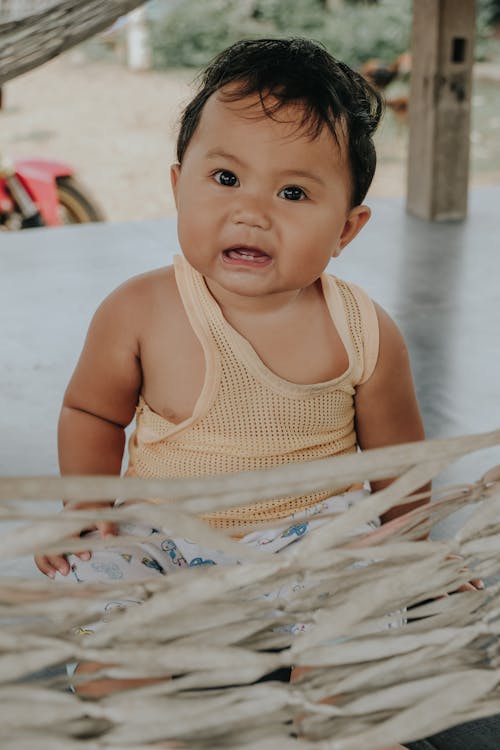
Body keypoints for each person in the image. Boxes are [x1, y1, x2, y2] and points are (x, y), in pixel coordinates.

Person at [33, 37, 489, 748]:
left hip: (314, 546)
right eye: (225, 179)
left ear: (346, 229)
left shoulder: (365, 331)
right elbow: (93, 409)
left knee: (357, 628)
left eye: (293, 192)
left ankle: (337, 714)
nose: (252, 212)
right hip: (167, 539)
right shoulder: (142, 310)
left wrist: (410, 555)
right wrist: (85, 506)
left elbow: (400, 465)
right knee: (108, 644)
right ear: (178, 183)